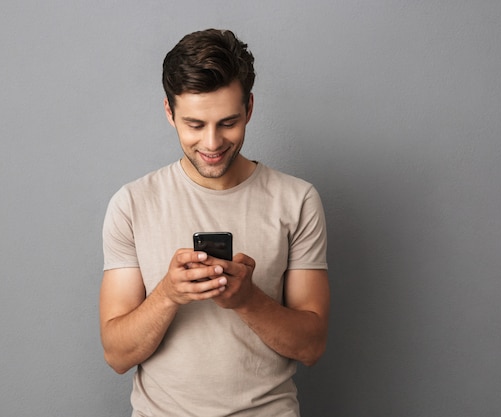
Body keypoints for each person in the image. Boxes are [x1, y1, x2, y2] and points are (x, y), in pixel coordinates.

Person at [99, 28, 330, 417]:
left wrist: (247, 300)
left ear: (250, 109)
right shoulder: (132, 204)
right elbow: (117, 355)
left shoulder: (298, 200)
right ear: (169, 112)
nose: (211, 143)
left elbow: (311, 347)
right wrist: (168, 294)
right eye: (194, 125)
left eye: (228, 122)